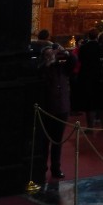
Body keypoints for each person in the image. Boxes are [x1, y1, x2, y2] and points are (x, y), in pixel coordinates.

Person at [37, 43, 75, 179]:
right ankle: (41, 168)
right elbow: (39, 75)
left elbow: (73, 61)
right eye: (48, 53)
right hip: (47, 109)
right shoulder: (41, 68)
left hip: (61, 108)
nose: (51, 55)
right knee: (44, 142)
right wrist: (48, 62)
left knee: (57, 141)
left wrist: (65, 52)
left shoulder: (62, 68)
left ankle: (56, 167)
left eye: (52, 52)